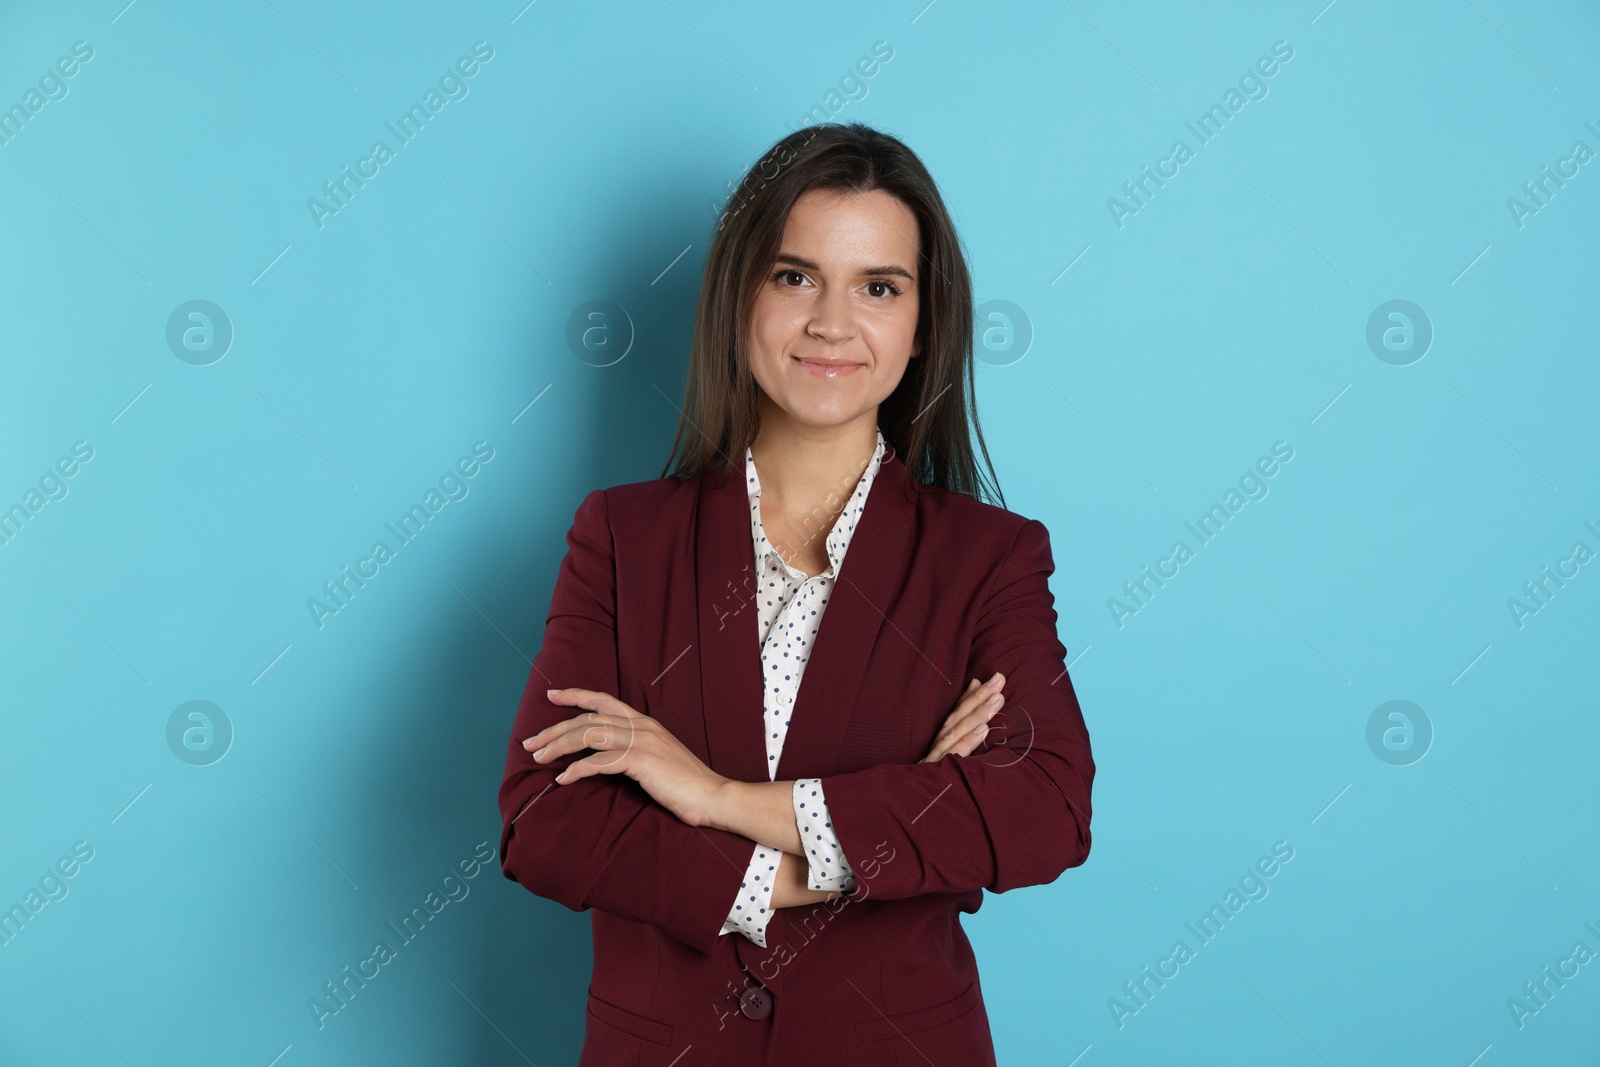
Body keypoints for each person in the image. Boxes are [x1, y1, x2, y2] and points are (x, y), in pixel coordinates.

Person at [496, 121, 1095, 1066]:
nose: (830, 322)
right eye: (794, 276)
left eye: (879, 287)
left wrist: (711, 794)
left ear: (922, 324)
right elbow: (546, 820)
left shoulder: (990, 557)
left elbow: (1043, 812)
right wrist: (862, 840)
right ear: (740, 300)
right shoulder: (621, 536)